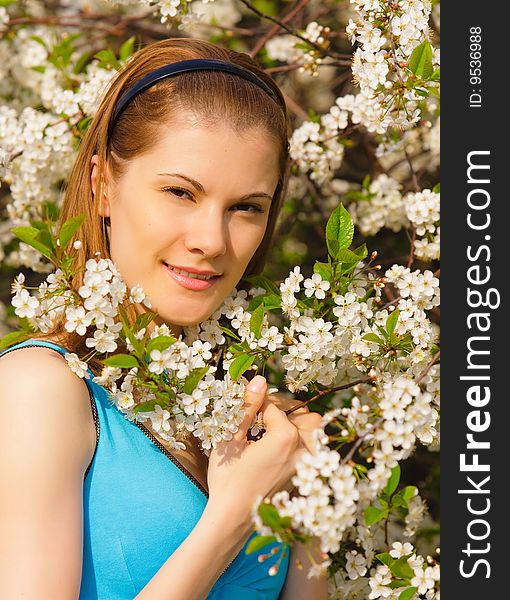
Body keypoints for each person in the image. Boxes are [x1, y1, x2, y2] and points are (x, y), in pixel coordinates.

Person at [0, 38, 328, 599]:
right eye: (180, 192)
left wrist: (307, 505)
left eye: (246, 207)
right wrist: (231, 519)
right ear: (104, 185)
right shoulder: (42, 390)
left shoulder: (261, 425)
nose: (210, 241)